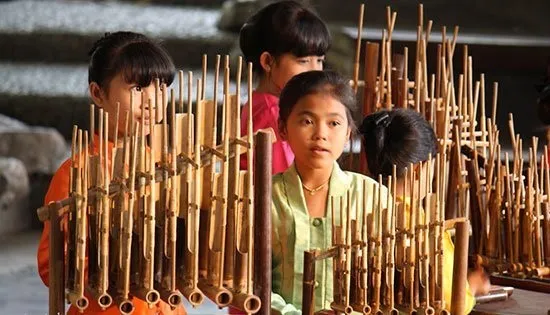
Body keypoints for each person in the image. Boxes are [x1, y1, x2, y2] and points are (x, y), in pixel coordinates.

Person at [36, 31, 185, 315]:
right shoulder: (76, 174)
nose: (152, 101)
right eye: (138, 88)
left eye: (161, 87)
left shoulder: (165, 165)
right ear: (98, 93)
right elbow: (51, 270)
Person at [271, 70, 390, 313]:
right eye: (307, 121)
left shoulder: (372, 197)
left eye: (334, 123)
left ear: (348, 133)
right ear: (283, 128)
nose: (321, 134)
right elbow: (249, 282)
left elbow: (386, 281)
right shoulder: (262, 196)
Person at [360, 108, 490, 313]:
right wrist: (472, 287)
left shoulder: (362, 206)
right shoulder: (419, 225)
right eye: (432, 167)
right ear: (419, 170)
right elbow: (450, 304)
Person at [239, 0, 331, 175]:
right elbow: (281, 183)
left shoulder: (262, 103)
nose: (315, 71)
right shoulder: (273, 114)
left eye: (319, 60)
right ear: (268, 61)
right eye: (303, 61)